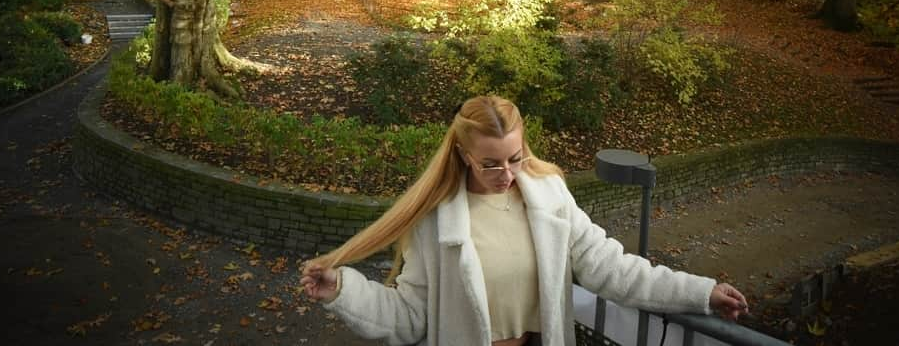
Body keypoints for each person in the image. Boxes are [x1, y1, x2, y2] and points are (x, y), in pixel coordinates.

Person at [300, 95, 749, 346]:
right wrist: (344, 290)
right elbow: (411, 318)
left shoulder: (550, 197)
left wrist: (701, 292)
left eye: (516, 158)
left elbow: (612, 268)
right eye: (490, 164)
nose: (507, 175)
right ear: (463, 155)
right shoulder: (435, 223)